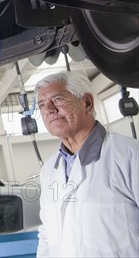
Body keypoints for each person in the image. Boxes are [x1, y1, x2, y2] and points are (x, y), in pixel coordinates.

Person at [35, 71, 139, 257]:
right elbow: (46, 236)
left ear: (87, 103)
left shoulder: (130, 155)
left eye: (58, 99)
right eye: (42, 105)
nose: (49, 109)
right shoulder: (49, 171)